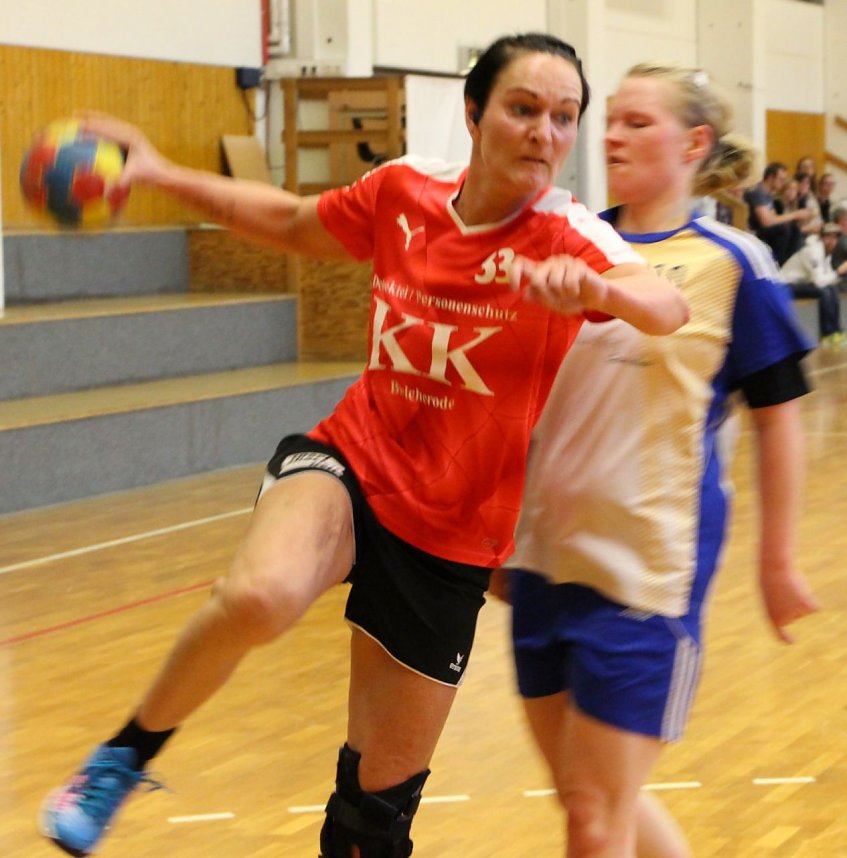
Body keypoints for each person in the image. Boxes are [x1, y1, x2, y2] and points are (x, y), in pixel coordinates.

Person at [38, 34, 688, 858]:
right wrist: (160, 172)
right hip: (353, 462)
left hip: (453, 537)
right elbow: (292, 219)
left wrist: (598, 290)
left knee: (372, 822)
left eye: (563, 119)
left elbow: (665, 307)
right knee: (260, 597)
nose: (543, 134)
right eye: (523, 110)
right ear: (474, 113)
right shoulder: (404, 191)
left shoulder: (567, 239)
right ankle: (121, 759)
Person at [495, 62, 819, 857]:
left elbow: (778, 422)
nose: (609, 135)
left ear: (693, 143)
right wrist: (496, 533)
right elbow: (521, 407)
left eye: (637, 123)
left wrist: (775, 561)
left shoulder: (729, 263)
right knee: (591, 801)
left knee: (594, 823)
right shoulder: (567, 240)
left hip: (645, 573)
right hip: (540, 560)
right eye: (610, 119)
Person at [780, 222, 845, 346]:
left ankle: (836, 331)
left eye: (835, 237)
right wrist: (839, 272)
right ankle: (827, 334)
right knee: (824, 291)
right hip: (785, 285)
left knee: (831, 289)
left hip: (802, 283)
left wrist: (837, 275)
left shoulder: (826, 254)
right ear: (822, 237)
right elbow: (819, 282)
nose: (832, 241)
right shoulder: (813, 252)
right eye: (828, 236)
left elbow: (828, 278)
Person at [744, 161, 811, 264]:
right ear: (771, 177)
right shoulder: (757, 191)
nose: (783, 182)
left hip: (763, 229)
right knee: (783, 229)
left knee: (793, 228)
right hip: (753, 230)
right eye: (781, 179)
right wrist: (795, 214)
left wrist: (795, 216)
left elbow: (774, 217)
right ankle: (777, 265)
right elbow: (766, 221)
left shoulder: (768, 193)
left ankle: (788, 264)